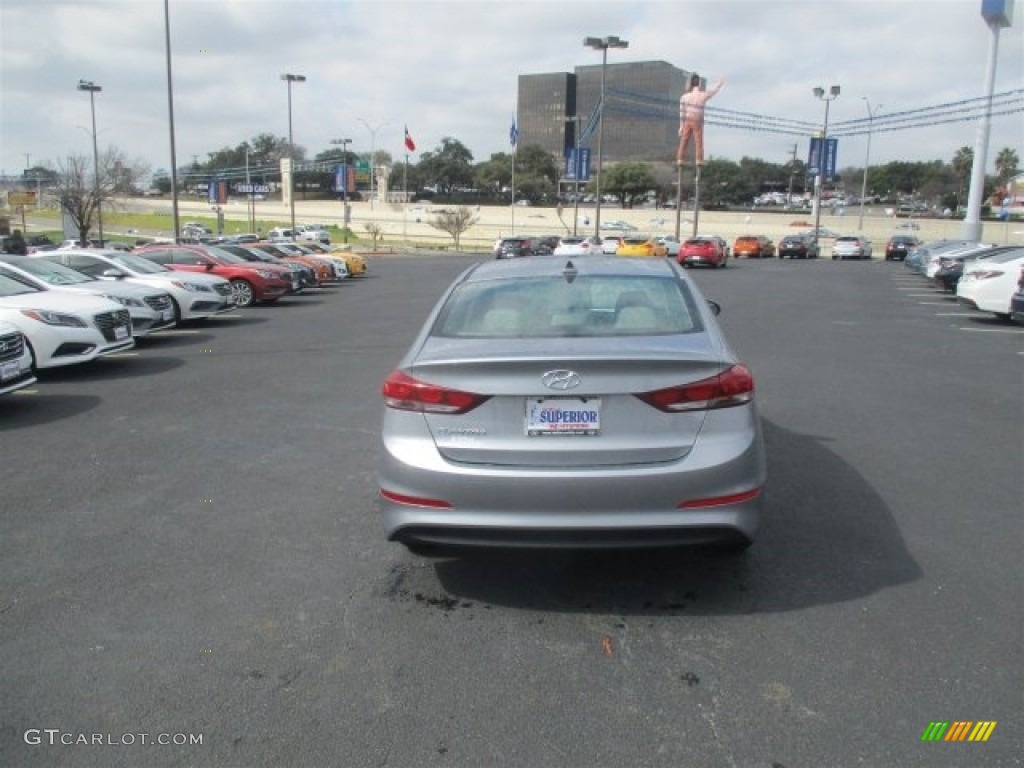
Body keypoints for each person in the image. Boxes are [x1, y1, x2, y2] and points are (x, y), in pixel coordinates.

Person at [676, 74, 725, 167]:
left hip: (687, 119)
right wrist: (719, 84)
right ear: (699, 84)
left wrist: (681, 126)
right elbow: (713, 91)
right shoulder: (703, 95)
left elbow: (681, 113)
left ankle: (680, 159)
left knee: (684, 140)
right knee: (698, 141)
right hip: (697, 120)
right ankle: (699, 160)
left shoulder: (684, 97)